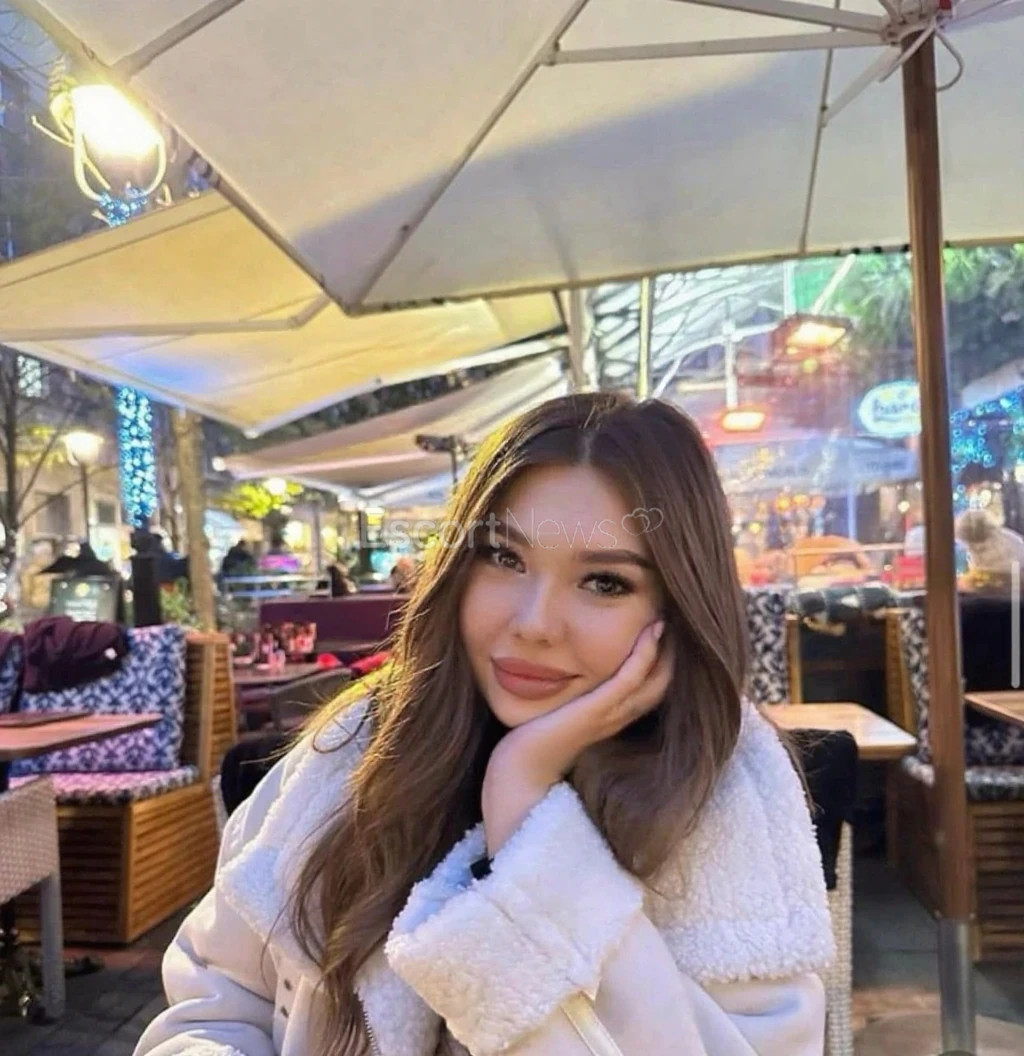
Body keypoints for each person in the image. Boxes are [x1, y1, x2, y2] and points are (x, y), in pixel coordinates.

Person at [135, 394, 833, 1056]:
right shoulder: (358, 745)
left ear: (676, 608)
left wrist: (524, 811)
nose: (533, 624)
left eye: (604, 582)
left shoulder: (725, 799)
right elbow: (215, 1003)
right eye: (504, 557)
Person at [955, 508, 1024, 582]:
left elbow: (1013, 570)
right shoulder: (973, 547)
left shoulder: (1007, 542)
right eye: (971, 547)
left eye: (981, 549)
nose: (972, 549)